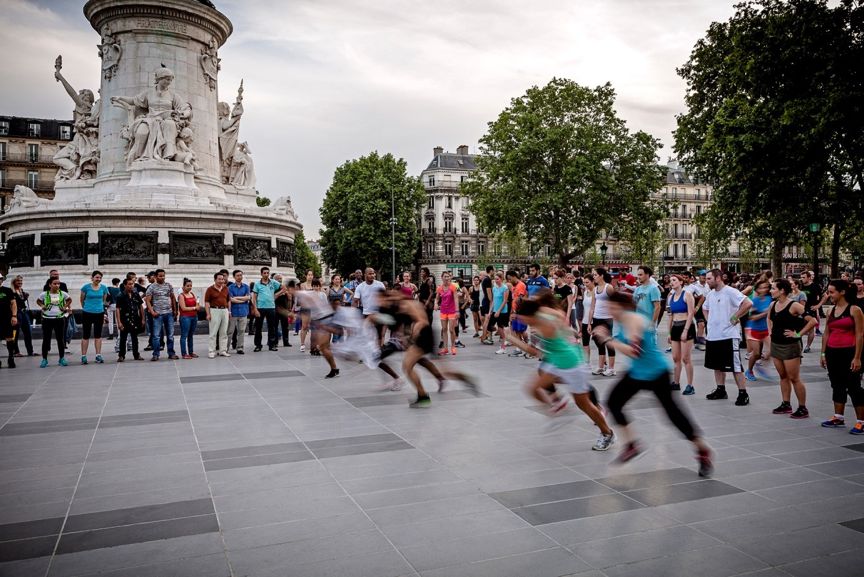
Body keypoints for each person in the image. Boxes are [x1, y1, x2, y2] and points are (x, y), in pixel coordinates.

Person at [594, 291, 713, 476]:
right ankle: (631, 445)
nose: (610, 311)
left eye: (612, 307)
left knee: (673, 415)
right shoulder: (622, 321)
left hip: (657, 373)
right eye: (608, 308)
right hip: (637, 372)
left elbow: (635, 352)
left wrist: (608, 340)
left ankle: (702, 449)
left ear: (621, 306)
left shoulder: (633, 319)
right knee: (614, 402)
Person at [506, 294, 615, 450]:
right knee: (532, 388)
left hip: (571, 364)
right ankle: (557, 413)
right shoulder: (542, 313)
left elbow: (533, 352)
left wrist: (512, 339)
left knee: (584, 405)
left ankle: (607, 433)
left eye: (522, 318)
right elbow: (559, 318)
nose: (521, 320)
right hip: (557, 360)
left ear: (530, 316)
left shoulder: (543, 325)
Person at [376, 290, 478, 407]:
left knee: (407, 367)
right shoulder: (398, 307)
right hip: (423, 336)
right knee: (439, 370)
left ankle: (423, 397)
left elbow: (421, 321)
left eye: (384, 299)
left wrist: (412, 337)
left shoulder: (408, 304)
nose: (383, 302)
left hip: (423, 335)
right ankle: (464, 379)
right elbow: (401, 324)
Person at [703, 269, 753, 406]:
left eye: (709, 279)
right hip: (713, 335)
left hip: (728, 335)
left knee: (735, 366)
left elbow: (748, 303)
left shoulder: (730, 291)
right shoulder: (710, 294)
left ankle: (743, 393)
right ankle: (720, 389)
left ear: (718, 278)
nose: (706, 281)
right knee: (716, 365)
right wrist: (709, 321)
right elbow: (704, 308)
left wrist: (735, 316)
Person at [767, 279, 816, 418]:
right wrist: (770, 332)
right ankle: (786, 404)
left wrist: (799, 334)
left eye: (773, 288)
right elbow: (769, 319)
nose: (771, 291)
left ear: (782, 290)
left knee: (794, 378)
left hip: (790, 346)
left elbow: (813, 321)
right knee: (783, 376)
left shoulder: (794, 305)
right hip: (776, 344)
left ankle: (802, 407)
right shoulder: (773, 304)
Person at [820, 279, 864, 434]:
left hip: (849, 352)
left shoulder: (855, 310)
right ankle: (838, 417)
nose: (829, 295)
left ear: (842, 292)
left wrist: (857, 357)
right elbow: (826, 333)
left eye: (832, 292)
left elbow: (860, 335)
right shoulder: (830, 310)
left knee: (854, 387)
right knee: (836, 384)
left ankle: (861, 421)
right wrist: (823, 353)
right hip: (833, 352)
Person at [667, 274, 696, 395]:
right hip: (675, 327)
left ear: (680, 282)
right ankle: (676, 382)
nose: (671, 282)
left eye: (674, 280)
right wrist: (669, 332)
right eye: (670, 281)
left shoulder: (687, 295)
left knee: (686, 358)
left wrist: (685, 330)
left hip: (686, 326)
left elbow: (691, 314)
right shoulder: (670, 297)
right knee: (675, 357)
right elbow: (670, 315)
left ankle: (690, 385)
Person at [144, 269, 178, 361]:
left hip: (169, 314)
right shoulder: (151, 287)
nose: (162, 277)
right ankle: (156, 354)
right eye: (160, 276)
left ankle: (171, 353)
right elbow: (147, 300)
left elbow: (173, 298)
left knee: (170, 335)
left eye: (163, 275)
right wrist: (152, 312)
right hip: (158, 315)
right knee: (156, 336)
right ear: (155, 277)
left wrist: (175, 310)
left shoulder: (168, 286)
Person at [587, 267, 617, 376]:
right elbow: (592, 306)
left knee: (608, 342)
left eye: (595, 275)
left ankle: (611, 368)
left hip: (607, 319)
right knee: (599, 343)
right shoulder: (595, 289)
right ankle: (601, 366)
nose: (593, 277)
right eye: (593, 275)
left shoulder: (608, 288)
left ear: (601, 276)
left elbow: (616, 303)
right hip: (596, 318)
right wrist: (590, 322)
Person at [37, 278, 72, 367]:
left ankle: (61, 358)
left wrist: (65, 307)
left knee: (60, 339)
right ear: (50, 284)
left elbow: (69, 299)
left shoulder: (62, 293)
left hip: (59, 318)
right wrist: (42, 305)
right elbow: (38, 300)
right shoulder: (44, 294)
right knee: (46, 339)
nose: (57, 285)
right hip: (47, 319)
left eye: (58, 284)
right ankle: (44, 359)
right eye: (54, 283)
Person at [744, 279, 773, 382]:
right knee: (756, 354)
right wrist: (765, 313)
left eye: (766, 287)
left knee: (772, 350)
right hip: (753, 329)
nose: (763, 289)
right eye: (761, 288)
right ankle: (749, 371)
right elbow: (752, 317)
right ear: (757, 289)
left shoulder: (770, 299)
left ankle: (761, 367)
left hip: (765, 329)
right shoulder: (754, 301)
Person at [79, 270, 109, 365]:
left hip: (99, 313)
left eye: (100, 277)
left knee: (98, 335)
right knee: (86, 335)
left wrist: (101, 310)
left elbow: (104, 300)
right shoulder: (86, 287)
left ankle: (98, 355)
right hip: (87, 312)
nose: (98, 279)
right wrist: (87, 307)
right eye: (96, 277)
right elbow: (82, 300)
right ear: (92, 278)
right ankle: (83, 356)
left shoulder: (104, 288)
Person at [251, 266, 282, 352]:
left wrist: (277, 294)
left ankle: (272, 345)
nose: (266, 274)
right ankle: (258, 345)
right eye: (264, 273)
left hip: (271, 307)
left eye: (267, 273)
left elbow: (284, 288)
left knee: (271, 327)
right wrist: (255, 309)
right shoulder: (257, 284)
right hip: (260, 308)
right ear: (261, 274)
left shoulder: (273, 282)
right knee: (258, 328)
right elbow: (254, 298)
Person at [115, 277, 145, 362]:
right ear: (125, 285)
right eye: (129, 284)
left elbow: (140, 306)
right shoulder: (120, 295)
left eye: (132, 284)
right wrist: (119, 322)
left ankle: (136, 354)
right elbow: (117, 309)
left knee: (135, 338)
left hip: (135, 318)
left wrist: (143, 319)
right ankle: (121, 355)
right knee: (123, 338)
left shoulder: (136, 294)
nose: (131, 286)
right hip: (124, 319)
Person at [354, 267, 387, 344]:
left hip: (379, 314)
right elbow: (355, 301)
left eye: (373, 273)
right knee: (367, 336)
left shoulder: (380, 285)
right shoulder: (360, 287)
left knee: (380, 336)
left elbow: (385, 299)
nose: (373, 275)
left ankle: (379, 352)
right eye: (370, 274)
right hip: (366, 314)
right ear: (365, 275)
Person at [632, 266, 662, 341]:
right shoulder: (637, 289)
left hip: (648, 324)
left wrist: (652, 323)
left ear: (647, 275)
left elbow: (657, 307)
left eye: (640, 275)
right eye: (638, 275)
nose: (638, 277)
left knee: (650, 348)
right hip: (638, 324)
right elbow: (633, 306)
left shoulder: (653, 289)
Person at [435, 271, 460, 356]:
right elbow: (437, 298)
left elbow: (456, 299)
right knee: (444, 329)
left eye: (448, 276)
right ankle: (445, 348)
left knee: (451, 330)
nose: (447, 278)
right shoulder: (439, 288)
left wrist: (457, 311)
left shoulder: (453, 287)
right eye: (445, 277)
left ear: (450, 278)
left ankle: (453, 347)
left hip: (452, 311)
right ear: (442, 278)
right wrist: (435, 304)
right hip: (443, 311)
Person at [227, 269, 251, 353]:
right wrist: (242, 299)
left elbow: (248, 297)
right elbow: (231, 299)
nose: (239, 277)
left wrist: (237, 298)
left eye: (241, 275)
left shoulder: (246, 287)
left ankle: (240, 347)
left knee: (241, 331)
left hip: (243, 311)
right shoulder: (230, 287)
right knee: (230, 331)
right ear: (234, 277)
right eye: (237, 275)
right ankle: (226, 348)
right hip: (233, 312)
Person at [506, 270, 529, 358]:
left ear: (514, 276)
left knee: (520, 330)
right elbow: (514, 300)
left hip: (520, 312)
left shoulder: (520, 285)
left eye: (509, 279)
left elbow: (520, 299)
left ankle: (527, 346)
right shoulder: (515, 286)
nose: (509, 281)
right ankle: (519, 349)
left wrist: (516, 312)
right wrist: (512, 310)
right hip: (516, 311)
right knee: (517, 330)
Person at [800, 270, 823, 352]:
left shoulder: (815, 286)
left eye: (804, 277)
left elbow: (825, 296)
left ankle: (808, 346)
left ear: (809, 278)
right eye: (801, 277)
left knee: (811, 329)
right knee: (799, 328)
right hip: (800, 309)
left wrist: (818, 306)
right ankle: (799, 344)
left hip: (810, 309)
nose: (802, 279)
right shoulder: (800, 286)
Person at [11, 275, 33, 358]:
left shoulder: (21, 290)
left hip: (24, 313)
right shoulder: (11, 291)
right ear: (14, 282)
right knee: (15, 333)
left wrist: (25, 297)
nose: (20, 282)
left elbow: (21, 301)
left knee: (28, 332)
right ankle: (15, 351)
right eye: (18, 281)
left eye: (21, 281)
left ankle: (30, 351)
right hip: (17, 313)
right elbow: (14, 303)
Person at [489, 272, 511, 355]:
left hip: (502, 311)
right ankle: (505, 342)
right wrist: (490, 310)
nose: (496, 280)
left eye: (497, 279)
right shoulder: (494, 288)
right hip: (495, 310)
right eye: (495, 279)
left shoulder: (505, 288)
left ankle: (503, 347)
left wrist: (498, 311)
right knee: (491, 325)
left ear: (501, 279)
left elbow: (505, 301)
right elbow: (494, 300)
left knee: (501, 329)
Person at [178, 278, 199, 359]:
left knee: (191, 335)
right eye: (187, 286)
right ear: (183, 286)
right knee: (184, 335)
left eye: (191, 286)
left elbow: (196, 304)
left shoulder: (192, 294)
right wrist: (194, 308)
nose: (189, 287)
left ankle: (191, 352)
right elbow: (183, 308)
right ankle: (184, 353)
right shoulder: (181, 296)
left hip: (194, 317)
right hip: (185, 317)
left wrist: (198, 306)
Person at [0, 274, 18, 369]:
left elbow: (13, 304)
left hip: (6, 318)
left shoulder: (7, 290)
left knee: (9, 338)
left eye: (0, 279)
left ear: (2, 280)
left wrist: (14, 316)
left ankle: (11, 357)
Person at [480, 266, 495, 344]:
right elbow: (489, 292)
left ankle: (484, 337)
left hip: (485, 301)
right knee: (486, 320)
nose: (494, 272)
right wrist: (491, 302)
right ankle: (484, 337)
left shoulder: (485, 279)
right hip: (487, 301)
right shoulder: (488, 279)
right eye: (494, 270)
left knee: (486, 321)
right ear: (491, 271)